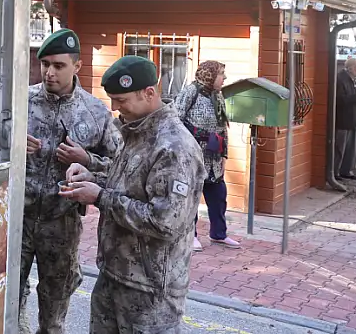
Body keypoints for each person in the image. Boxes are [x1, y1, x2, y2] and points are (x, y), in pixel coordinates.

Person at [61, 56, 206, 334]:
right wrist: (91, 178)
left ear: (148, 93)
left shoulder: (174, 147)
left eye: (121, 100)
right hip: (115, 276)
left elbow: (165, 220)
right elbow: (128, 186)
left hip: (150, 290)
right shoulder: (136, 132)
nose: (114, 107)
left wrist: (100, 196)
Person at [18, 29, 122, 334]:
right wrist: (9, 143)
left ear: (77, 66)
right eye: (44, 64)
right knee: (7, 302)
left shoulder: (94, 113)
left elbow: (121, 167)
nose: (49, 72)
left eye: (58, 65)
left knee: (53, 314)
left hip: (60, 224)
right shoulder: (18, 102)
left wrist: (88, 160)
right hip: (16, 219)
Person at [173, 60, 240, 251]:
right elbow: (176, 119)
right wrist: (198, 136)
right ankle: (190, 236)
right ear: (209, 75)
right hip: (193, 156)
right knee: (192, 197)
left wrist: (224, 155)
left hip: (214, 158)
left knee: (218, 197)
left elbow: (223, 128)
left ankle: (219, 234)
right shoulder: (191, 92)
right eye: (221, 74)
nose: (224, 78)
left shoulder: (217, 96)